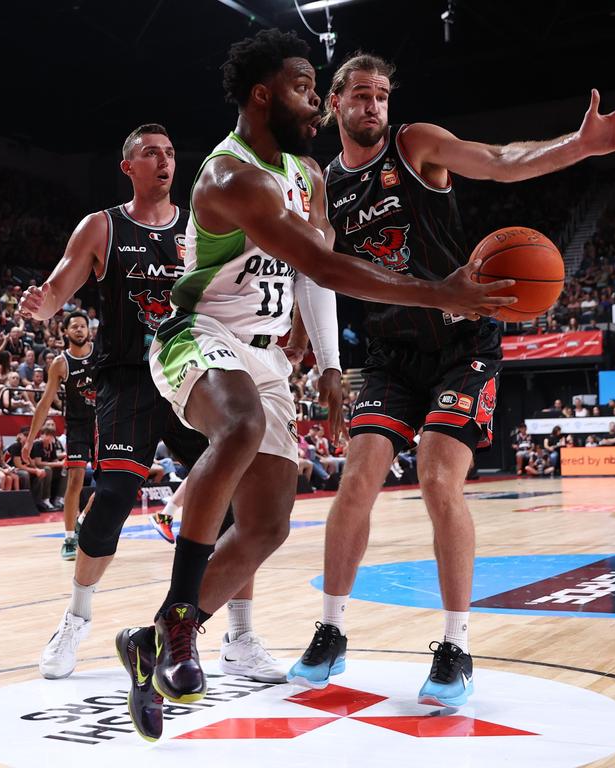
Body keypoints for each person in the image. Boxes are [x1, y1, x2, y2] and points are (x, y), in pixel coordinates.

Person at [105, 31, 515, 740]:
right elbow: (328, 270)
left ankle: (149, 643)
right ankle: (179, 621)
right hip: (199, 335)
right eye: (303, 89)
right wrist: (437, 291)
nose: (316, 106)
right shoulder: (230, 177)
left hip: (267, 358)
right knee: (236, 427)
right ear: (264, 95)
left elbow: (310, 272)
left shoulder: (308, 174)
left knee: (266, 525)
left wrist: (328, 365)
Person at [288, 50, 615, 706]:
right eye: (361, 96)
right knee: (357, 480)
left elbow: (502, 159)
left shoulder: (416, 145)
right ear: (336, 105)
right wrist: (313, 346)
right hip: (388, 354)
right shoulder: (324, 185)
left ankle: (456, 647)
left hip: (462, 341)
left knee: (437, 477)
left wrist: (581, 143)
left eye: (381, 95)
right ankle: (331, 630)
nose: (374, 105)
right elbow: (318, 270)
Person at [25, 117, 390, 738]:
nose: (165, 161)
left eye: (170, 152)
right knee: (112, 499)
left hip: (221, 361)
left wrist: (303, 335)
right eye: (150, 153)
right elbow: (62, 282)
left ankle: (219, 633)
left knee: (249, 506)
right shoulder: (106, 225)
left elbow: (288, 270)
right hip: (138, 373)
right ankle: (78, 617)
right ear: (128, 166)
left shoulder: (208, 218)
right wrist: (45, 304)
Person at [23, 311, 96, 560]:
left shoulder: (101, 354)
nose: (79, 330)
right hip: (77, 426)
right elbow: (44, 404)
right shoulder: (60, 363)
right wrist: (30, 440)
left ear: (89, 331)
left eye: (83, 326)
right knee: (75, 480)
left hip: (104, 424)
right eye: (74, 326)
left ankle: (83, 519)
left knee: (111, 485)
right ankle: (68, 540)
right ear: (65, 332)